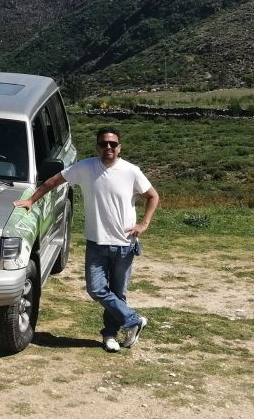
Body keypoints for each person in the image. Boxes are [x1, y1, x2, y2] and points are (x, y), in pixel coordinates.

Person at [14, 127, 159, 352]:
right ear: (97, 146)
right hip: (97, 242)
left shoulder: (131, 171)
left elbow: (152, 196)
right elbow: (54, 181)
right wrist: (32, 200)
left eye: (113, 144)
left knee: (118, 293)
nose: (108, 148)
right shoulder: (85, 168)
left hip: (125, 243)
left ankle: (110, 335)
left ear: (120, 147)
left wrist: (144, 224)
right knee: (96, 289)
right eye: (104, 144)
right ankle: (133, 320)